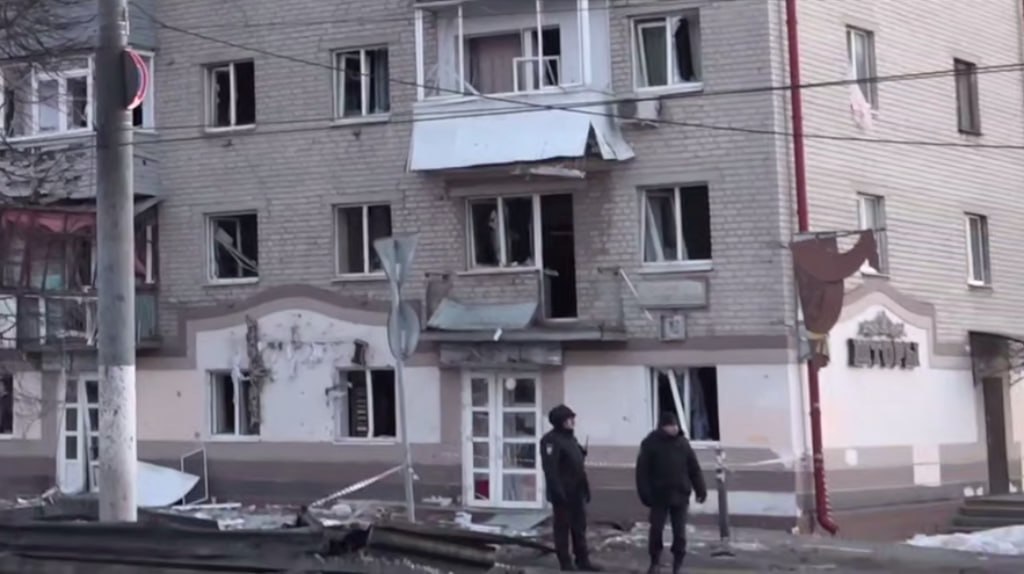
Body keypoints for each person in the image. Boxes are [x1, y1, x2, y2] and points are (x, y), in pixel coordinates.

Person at [635, 411, 707, 574]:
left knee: (680, 533)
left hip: (680, 494)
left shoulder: (683, 444)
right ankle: (655, 561)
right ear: (663, 427)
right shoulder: (650, 443)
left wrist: (700, 489)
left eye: (675, 425)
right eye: (670, 426)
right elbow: (642, 472)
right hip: (659, 496)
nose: (674, 428)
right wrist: (645, 494)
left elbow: (694, 468)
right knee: (656, 530)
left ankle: (678, 563)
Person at [541, 404, 600, 572]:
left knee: (579, 528)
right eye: (569, 419)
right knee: (562, 529)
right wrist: (558, 493)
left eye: (573, 418)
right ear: (560, 421)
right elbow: (550, 469)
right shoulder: (550, 440)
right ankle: (565, 562)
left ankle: (582, 560)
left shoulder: (570, 439)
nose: (573, 421)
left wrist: (585, 488)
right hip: (563, 493)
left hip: (577, 491)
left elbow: (577, 466)